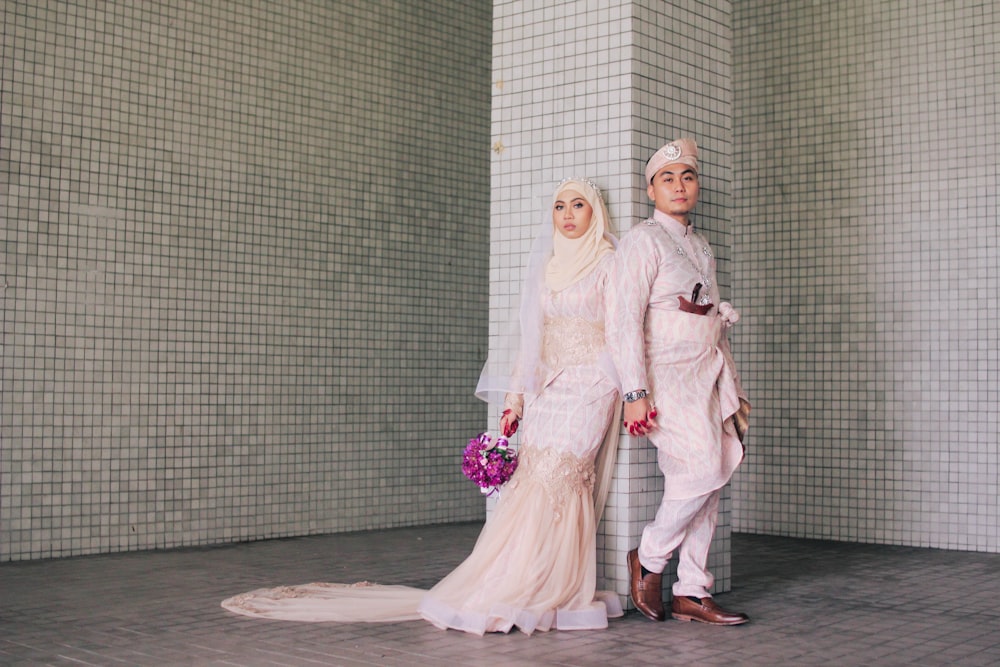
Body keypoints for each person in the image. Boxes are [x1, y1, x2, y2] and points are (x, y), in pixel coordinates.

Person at [222, 178, 624, 635]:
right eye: (559, 206)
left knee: (563, 471)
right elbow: (530, 343)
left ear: (595, 213)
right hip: (545, 386)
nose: (568, 214)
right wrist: (514, 402)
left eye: (578, 205)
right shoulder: (548, 268)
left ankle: (555, 582)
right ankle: (516, 581)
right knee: (533, 474)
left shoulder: (610, 264)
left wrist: (633, 393)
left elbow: (624, 332)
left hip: (592, 384)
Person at [606, 138, 751, 626]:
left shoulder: (699, 244)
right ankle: (648, 557)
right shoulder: (642, 240)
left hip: (705, 371)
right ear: (651, 189)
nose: (679, 186)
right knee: (704, 467)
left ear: (697, 185)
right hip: (664, 377)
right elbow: (622, 319)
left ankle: (692, 590)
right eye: (667, 178)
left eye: (687, 176)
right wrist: (634, 391)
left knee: (714, 476)